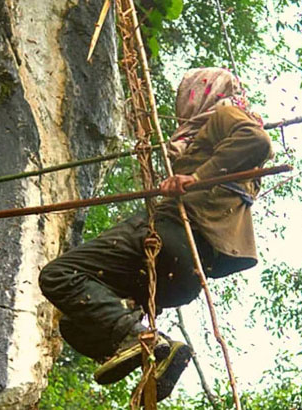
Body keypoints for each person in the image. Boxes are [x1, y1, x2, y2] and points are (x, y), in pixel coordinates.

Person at [39, 67, 273, 402]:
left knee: (60, 274)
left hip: (176, 233)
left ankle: (136, 337)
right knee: (76, 325)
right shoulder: (207, 137)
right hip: (188, 274)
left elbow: (256, 141)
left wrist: (195, 176)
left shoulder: (224, 115)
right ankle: (157, 348)